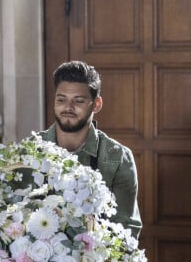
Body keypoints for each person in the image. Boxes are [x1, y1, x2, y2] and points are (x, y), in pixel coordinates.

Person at [38, 60, 142, 238]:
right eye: (61, 99)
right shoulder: (30, 150)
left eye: (78, 101)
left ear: (96, 104)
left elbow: (125, 231)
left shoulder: (118, 158)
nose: (68, 108)